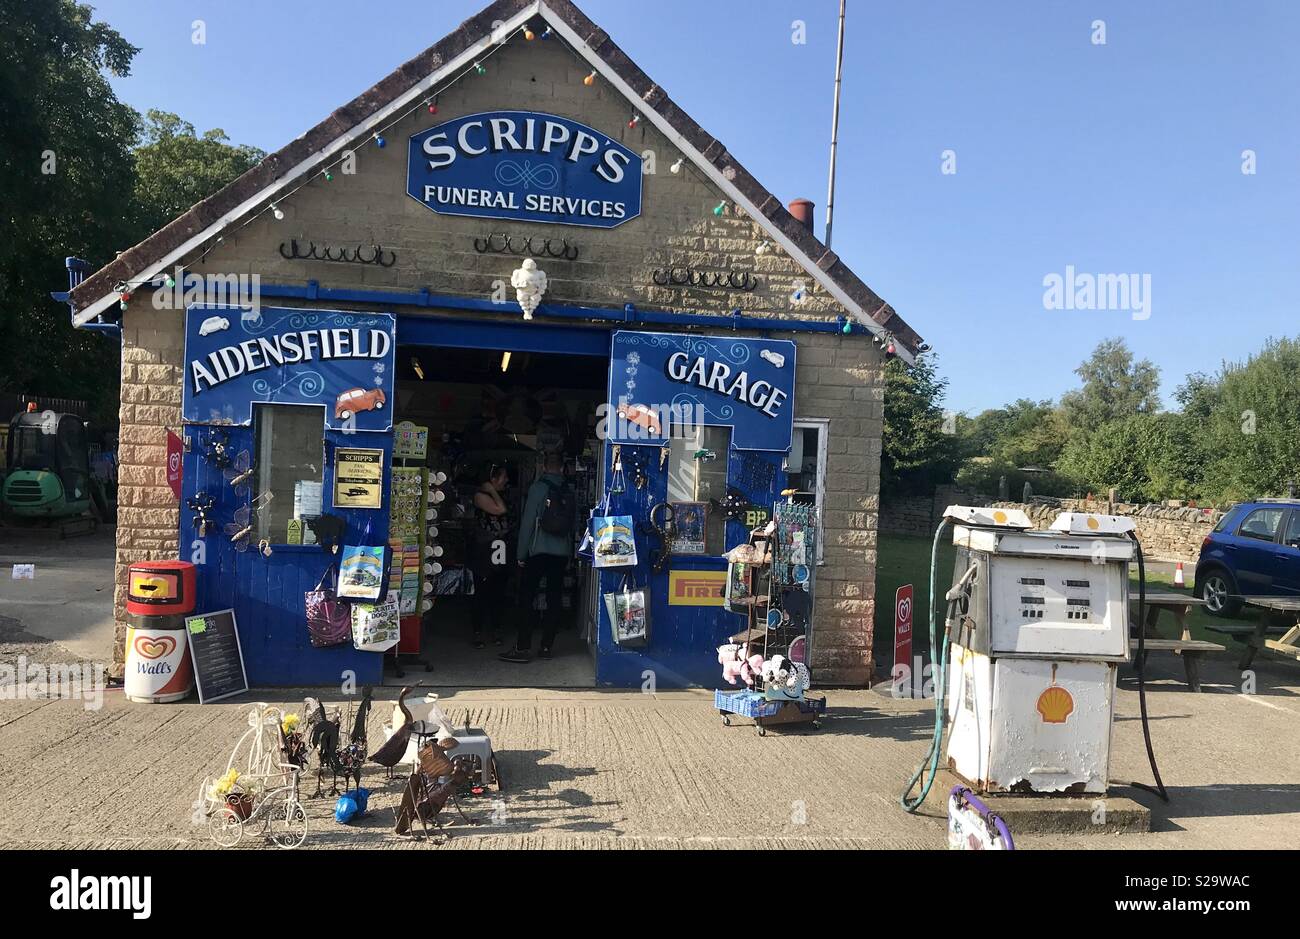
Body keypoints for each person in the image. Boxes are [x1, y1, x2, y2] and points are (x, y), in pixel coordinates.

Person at [499, 452, 573, 663]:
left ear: (543, 467)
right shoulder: (568, 490)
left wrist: (520, 554)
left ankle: (523, 647)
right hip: (561, 553)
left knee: (527, 598)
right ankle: (547, 647)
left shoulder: (538, 488)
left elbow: (528, 523)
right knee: (554, 599)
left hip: (537, 551)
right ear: (561, 468)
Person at [469, 463, 512, 649]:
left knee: (498, 590)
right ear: (492, 480)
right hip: (485, 548)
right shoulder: (480, 496)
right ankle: (478, 631)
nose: (507, 481)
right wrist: (492, 491)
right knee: (482, 590)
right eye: (503, 477)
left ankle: (497, 628)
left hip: (500, 547)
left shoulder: (504, 494)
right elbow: (499, 510)